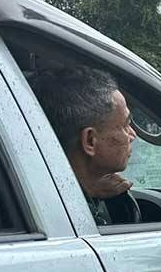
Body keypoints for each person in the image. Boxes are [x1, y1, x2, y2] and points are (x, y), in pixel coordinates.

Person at [28, 66, 140, 225]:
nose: (132, 135)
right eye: (125, 124)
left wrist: (86, 191)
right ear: (90, 140)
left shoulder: (29, 196)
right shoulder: (57, 219)